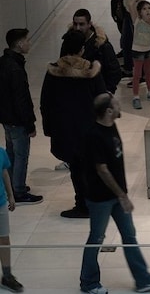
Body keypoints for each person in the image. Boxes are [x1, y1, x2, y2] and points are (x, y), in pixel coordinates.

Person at [79, 93, 150, 294]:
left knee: (129, 235)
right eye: (117, 104)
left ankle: (143, 280)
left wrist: (122, 194)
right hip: (100, 198)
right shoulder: (94, 135)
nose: (120, 106)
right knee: (96, 238)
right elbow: (102, 169)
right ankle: (89, 282)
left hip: (118, 195)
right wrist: (122, 195)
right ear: (109, 111)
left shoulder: (112, 125)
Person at [40, 30, 106, 218]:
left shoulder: (54, 71)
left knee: (76, 169)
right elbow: (102, 100)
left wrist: (48, 128)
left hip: (65, 129)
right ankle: (94, 202)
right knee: (91, 167)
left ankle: (82, 204)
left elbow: (46, 103)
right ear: (82, 49)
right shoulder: (91, 71)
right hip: (90, 129)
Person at [0, 28, 43, 205]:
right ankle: (18, 190)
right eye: (27, 40)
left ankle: (10, 185)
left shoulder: (3, 62)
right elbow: (22, 99)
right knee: (21, 154)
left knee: (11, 153)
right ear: (19, 44)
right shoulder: (15, 68)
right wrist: (30, 124)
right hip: (17, 120)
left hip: (6, 118)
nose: (29, 43)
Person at [71, 9, 123, 94]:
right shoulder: (69, 41)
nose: (78, 28)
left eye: (81, 24)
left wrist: (106, 92)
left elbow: (115, 71)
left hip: (96, 93)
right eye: (75, 24)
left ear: (89, 24)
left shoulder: (101, 45)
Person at [0, 145, 23, 292]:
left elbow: (4, 173)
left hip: (0, 203)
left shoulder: (1, 152)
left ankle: (7, 275)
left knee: (4, 238)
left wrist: (10, 195)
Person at [130, 1, 150, 110]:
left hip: (148, 51)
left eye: (149, 8)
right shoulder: (137, 21)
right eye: (144, 9)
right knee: (137, 75)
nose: (147, 10)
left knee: (148, 72)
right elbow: (130, 4)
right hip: (137, 51)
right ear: (139, 12)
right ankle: (135, 97)